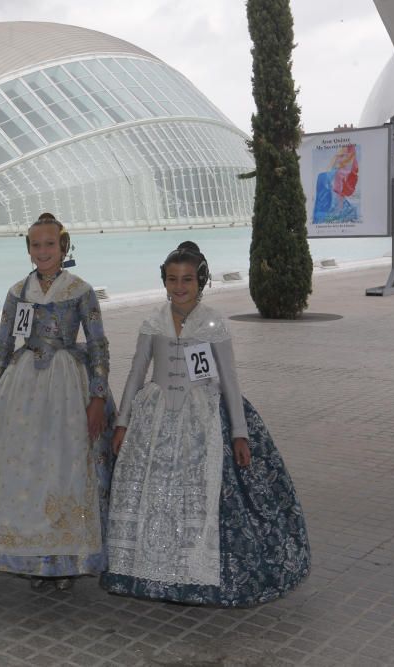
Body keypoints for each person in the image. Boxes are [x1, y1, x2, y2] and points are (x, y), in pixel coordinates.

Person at [101, 241, 310, 606]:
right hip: (156, 416)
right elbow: (137, 373)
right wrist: (122, 422)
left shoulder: (213, 322)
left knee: (201, 491)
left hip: (204, 417)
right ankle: (149, 570)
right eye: (172, 279)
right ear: (164, 281)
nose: (179, 287)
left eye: (187, 279)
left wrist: (239, 433)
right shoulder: (152, 322)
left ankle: (197, 573)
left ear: (201, 281)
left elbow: (229, 379)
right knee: (154, 493)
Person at [0, 213, 115, 592]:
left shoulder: (79, 290)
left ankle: (64, 560)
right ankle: (35, 559)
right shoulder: (18, 292)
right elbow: (3, 344)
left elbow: (98, 344)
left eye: (50, 244)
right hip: (23, 387)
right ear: (28, 249)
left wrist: (98, 394)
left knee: (64, 467)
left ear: (64, 247)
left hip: (67, 384)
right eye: (36, 245)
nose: (43, 251)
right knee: (27, 472)